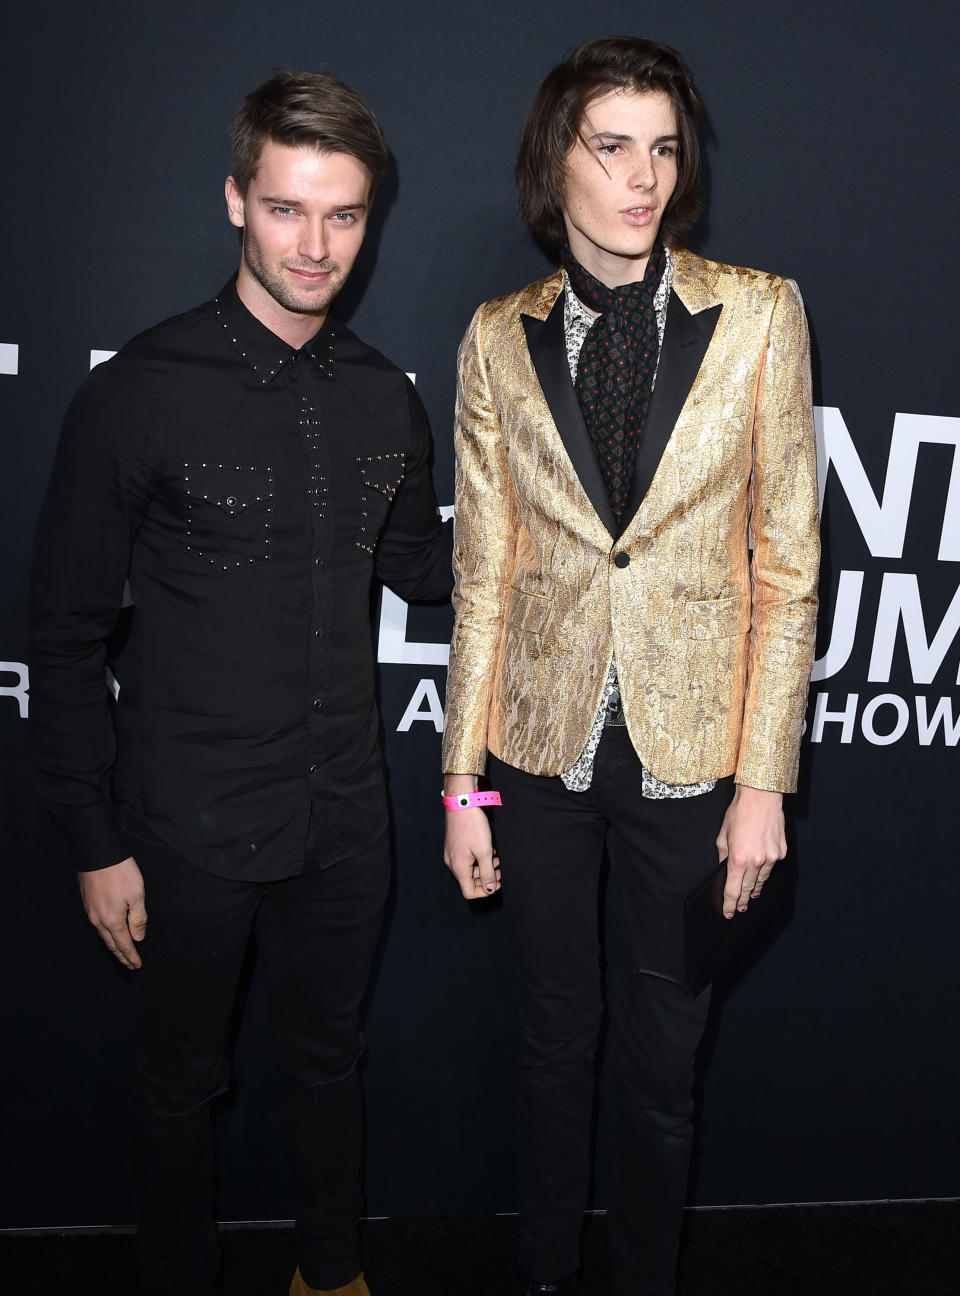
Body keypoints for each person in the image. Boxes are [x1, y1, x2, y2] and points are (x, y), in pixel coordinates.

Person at [30, 70, 451, 1296]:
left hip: (344, 824)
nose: (315, 247)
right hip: (185, 832)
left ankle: (331, 1275)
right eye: (286, 210)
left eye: (343, 217)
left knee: (329, 1060)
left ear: (370, 221)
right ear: (235, 202)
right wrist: (93, 842)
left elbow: (426, 571)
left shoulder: (386, 396)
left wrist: (559, 514)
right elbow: (62, 638)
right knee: (177, 1086)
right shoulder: (137, 395)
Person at [441, 35, 819, 1296]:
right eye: (614, 147)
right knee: (553, 1048)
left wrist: (763, 784)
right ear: (560, 163)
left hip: (691, 764)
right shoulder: (497, 337)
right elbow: (485, 579)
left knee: (663, 1066)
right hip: (537, 757)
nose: (643, 176)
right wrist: (462, 789)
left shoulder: (760, 312)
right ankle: (547, 1273)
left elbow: (788, 569)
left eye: (662, 148)